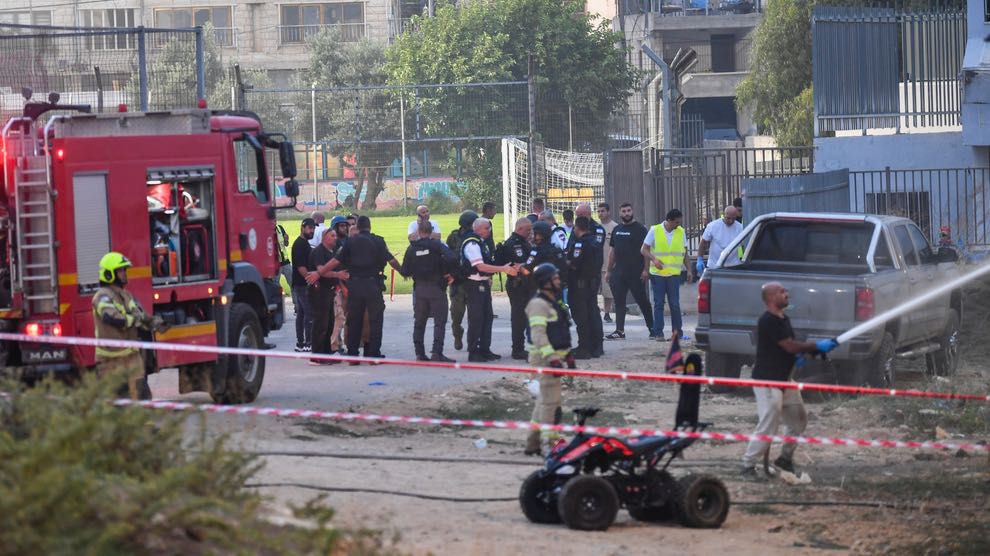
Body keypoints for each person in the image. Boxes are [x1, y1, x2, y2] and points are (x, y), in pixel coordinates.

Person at [740, 282, 837, 477]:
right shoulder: (767, 320)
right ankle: (747, 465)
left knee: (798, 420)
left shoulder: (784, 319)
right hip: (767, 381)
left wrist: (809, 353)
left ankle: (784, 459)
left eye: (785, 291)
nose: (786, 294)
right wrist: (816, 345)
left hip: (785, 380)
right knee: (769, 422)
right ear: (770, 298)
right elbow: (790, 346)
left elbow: (790, 348)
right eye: (781, 292)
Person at [308, 215, 400, 362]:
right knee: (375, 319)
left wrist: (319, 272)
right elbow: (391, 260)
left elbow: (335, 261)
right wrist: (404, 272)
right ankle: (373, 354)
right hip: (373, 284)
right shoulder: (378, 241)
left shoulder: (350, 242)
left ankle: (352, 354)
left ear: (359, 226)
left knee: (354, 320)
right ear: (369, 226)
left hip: (355, 285)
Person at [92, 252, 167, 400]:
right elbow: (111, 317)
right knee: (116, 405)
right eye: (120, 271)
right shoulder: (102, 296)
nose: (125, 274)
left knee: (143, 398)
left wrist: (154, 323)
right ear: (109, 274)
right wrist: (134, 320)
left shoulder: (127, 295)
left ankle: (145, 424)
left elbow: (140, 315)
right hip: (111, 363)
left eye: (124, 270)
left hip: (132, 360)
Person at [524, 263, 574, 456]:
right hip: (543, 361)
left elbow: (559, 332)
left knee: (543, 403)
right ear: (545, 282)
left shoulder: (552, 302)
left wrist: (567, 354)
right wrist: (552, 358)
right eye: (555, 278)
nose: (558, 281)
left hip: (553, 360)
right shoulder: (538, 304)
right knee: (551, 404)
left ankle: (533, 444)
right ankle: (550, 444)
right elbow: (538, 335)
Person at [461, 217, 518, 362]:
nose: (489, 230)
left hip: (483, 284)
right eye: (486, 228)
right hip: (474, 285)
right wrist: (503, 269)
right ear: (477, 229)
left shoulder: (482, 243)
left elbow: (488, 263)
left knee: (487, 318)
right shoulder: (472, 243)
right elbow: (480, 266)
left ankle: (485, 350)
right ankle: (473, 352)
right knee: (476, 319)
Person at [401, 220, 458, 362]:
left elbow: (405, 271)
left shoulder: (412, 248)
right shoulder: (437, 245)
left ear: (418, 231)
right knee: (439, 322)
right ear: (431, 231)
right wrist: (448, 272)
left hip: (420, 288)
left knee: (419, 322)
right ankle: (437, 352)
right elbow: (452, 258)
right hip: (437, 287)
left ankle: (419, 353)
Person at [641, 209, 694, 341]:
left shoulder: (680, 232)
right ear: (669, 220)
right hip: (657, 274)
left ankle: (677, 333)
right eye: (677, 222)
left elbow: (684, 253)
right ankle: (658, 333)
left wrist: (689, 270)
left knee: (674, 304)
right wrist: (654, 259)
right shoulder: (655, 230)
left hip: (674, 275)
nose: (679, 224)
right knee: (659, 303)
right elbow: (643, 249)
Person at [604, 202, 655, 339]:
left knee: (642, 301)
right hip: (619, 272)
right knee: (619, 302)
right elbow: (612, 252)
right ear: (620, 213)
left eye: (628, 211)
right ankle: (619, 331)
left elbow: (646, 251)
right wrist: (609, 271)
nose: (626, 213)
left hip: (636, 272)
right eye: (624, 211)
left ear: (632, 212)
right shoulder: (617, 229)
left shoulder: (640, 229)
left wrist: (646, 269)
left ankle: (653, 329)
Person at [494, 217, 534, 360]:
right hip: (518, 285)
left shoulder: (524, 242)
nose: (530, 232)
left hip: (526, 284)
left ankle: (522, 347)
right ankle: (517, 349)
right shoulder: (514, 244)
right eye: (528, 230)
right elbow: (521, 263)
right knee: (519, 318)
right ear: (520, 229)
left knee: (525, 318)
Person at [308, 228, 349, 365]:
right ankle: (316, 355)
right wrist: (338, 275)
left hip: (330, 291)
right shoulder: (318, 252)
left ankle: (326, 353)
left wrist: (340, 285)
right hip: (319, 292)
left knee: (329, 323)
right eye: (332, 235)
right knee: (320, 323)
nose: (335, 238)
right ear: (324, 237)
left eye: (335, 236)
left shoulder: (332, 252)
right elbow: (321, 272)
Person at [566, 216, 604, 359]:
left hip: (579, 286)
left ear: (577, 227)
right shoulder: (595, 241)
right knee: (593, 315)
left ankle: (584, 347)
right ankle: (596, 346)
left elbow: (574, 263)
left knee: (581, 317)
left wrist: (565, 262)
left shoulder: (579, 244)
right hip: (592, 284)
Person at [446, 210, 478, 351]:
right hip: (457, 283)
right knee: (456, 315)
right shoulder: (453, 237)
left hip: (472, 281)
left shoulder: (476, 237)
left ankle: (473, 342)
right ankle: (457, 336)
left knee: (475, 315)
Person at [291, 218, 316, 352]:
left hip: (300, 284)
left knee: (301, 314)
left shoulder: (305, 243)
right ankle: (308, 343)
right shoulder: (299, 244)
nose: (312, 231)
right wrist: (312, 280)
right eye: (309, 228)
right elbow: (301, 268)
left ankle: (300, 343)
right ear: (303, 228)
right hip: (302, 285)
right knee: (309, 313)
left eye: (313, 228)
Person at [329, 216, 351, 354]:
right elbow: (333, 268)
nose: (344, 228)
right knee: (338, 317)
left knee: (348, 317)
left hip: (350, 282)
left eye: (345, 226)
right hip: (338, 284)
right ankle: (335, 344)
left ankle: (346, 344)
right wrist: (341, 284)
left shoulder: (349, 242)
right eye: (341, 226)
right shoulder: (334, 244)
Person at [698, 205, 743, 271]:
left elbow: (745, 244)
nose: (730, 221)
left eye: (733, 218)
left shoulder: (740, 227)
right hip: (714, 265)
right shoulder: (713, 226)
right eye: (728, 218)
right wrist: (699, 259)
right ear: (724, 215)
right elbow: (703, 242)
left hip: (733, 265)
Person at [597, 202, 618, 324]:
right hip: (595, 265)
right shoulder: (595, 226)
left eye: (602, 211)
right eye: (598, 211)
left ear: (608, 212)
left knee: (607, 292)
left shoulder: (615, 227)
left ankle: (607, 313)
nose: (600, 213)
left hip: (607, 265)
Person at [275, 222, 292, 293]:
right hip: (274, 263)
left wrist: (286, 240)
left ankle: (296, 302)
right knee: (275, 285)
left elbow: (286, 244)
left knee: (293, 282)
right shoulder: (265, 230)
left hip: (285, 261)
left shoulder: (279, 228)